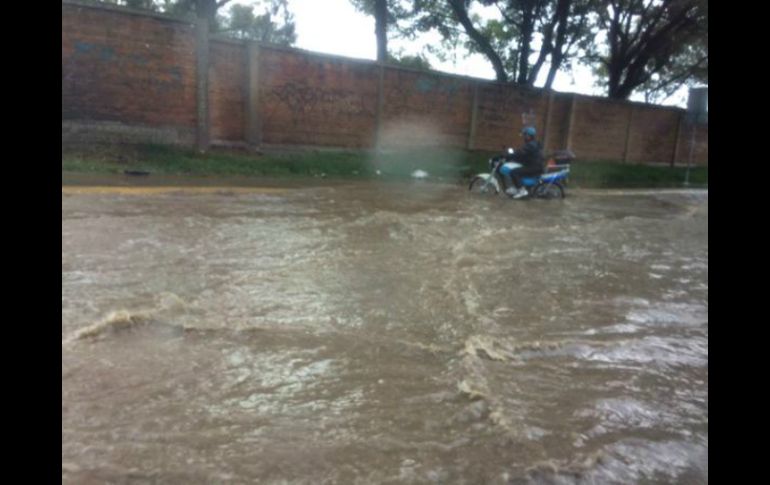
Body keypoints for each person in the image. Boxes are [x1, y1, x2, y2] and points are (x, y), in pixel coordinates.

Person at [499, 126, 545, 198]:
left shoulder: (530, 145)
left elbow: (520, 153)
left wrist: (508, 156)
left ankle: (522, 191)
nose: (524, 137)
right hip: (534, 165)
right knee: (516, 168)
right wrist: (513, 156)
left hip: (534, 167)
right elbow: (522, 154)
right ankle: (516, 188)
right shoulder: (532, 144)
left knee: (514, 172)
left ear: (529, 136)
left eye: (525, 135)